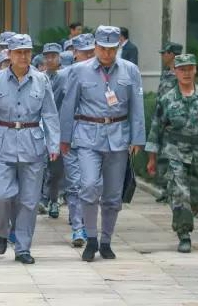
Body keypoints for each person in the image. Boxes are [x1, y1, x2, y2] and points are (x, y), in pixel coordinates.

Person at [60, 25, 145, 262]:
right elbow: (69, 105)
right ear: (95, 47)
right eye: (103, 48)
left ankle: (106, 239)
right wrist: (64, 138)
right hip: (88, 134)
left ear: (118, 46)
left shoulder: (130, 71)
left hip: (118, 135)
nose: (107, 54)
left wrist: (137, 138)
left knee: (113, 195)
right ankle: (90, 238)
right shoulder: (79, 71)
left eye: (111, 49)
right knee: (87, 186)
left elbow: (137, 107)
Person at [0, 34, 60, 264]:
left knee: (29, 200)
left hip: (32, 143)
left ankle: (23, 247)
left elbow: (50, 115)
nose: (23, 56)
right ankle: (2, 230)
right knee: (1, 195)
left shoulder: (42, 80)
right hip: (2, 143)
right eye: (18, 52)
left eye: (27, 51)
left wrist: (53, 144)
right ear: (9, 55)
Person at [146, 53, 198, 253]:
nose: (187, 73)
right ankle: (184, 234)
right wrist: (152, 159)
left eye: (190, 68)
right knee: (180, 193)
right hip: (175, 152)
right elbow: (156, 129)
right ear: (175, 72)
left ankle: (184, 218)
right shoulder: (167, 99)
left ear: (196, 70)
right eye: (182, 69)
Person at [62, 33, 96, 248]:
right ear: (75, 53)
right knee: (75, 184)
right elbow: (52, 107)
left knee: (92, 185)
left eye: (92, 51)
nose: (90, 55)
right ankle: (78, 228)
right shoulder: (64, 75)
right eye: (86, 52)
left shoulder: (103, 75)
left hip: (96, 139)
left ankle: (89, 223)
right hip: (72, 138)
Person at [154, 42, 183, 203]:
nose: (163, 56)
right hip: (162, 120)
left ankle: (174, 191)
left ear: (172, 54)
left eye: (165, 53)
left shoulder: (182, 73)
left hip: (174, 123)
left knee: (174, 157)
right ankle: (166, 189)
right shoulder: (166, 73)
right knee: (163, 157)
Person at [40, 43, 66, 219]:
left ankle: (54, 200)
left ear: (59, 58)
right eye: (47, 56)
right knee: (40, 167)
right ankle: (42, 198)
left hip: (59, 129)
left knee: (56, 169)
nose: (50, 59)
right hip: (40, 129)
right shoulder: (39, 78)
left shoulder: (66, 78)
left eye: (53, 56)